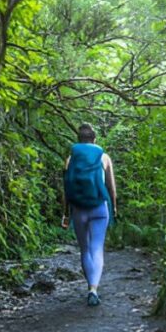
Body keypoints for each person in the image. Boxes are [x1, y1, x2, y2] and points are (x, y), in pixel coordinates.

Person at [61, 123, 117, 306]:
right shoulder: (104, 157)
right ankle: (94, 289)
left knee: (84, 249)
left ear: (79, 140)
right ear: (95, 139)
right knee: (97, 247)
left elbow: (66, 189)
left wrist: (65, 214)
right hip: (100, 208)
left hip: (78, 209)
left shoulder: (71, 159)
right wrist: (114, 207)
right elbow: (111, 189)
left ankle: (89, 287)